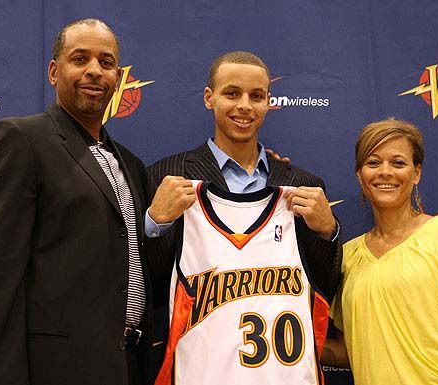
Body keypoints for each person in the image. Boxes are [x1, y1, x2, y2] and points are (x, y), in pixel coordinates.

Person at [0, 18, 157, 385]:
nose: (94, 71)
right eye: (79, 59)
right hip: (56, 369)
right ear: (54, 71)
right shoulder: (19, 140)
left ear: (118, 76)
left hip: (127, 366)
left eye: (106, 62)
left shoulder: (129, 164)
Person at [145, 51, 342, 384]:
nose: (244, 106)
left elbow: (324, 286)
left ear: (268, 102)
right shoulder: (167, 175)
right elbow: (149, 285)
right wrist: (154, 225)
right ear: (210, 98)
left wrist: (329, 233)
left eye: (256, 96)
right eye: (232, 93)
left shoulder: (301, 183)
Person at [324, 118, 438, 385]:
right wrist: (288, 342)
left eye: (398, 163)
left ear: (416, 173)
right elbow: (352, 350)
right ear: (360, 175)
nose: (385, 172)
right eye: (373, 163)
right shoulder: (347, 256)